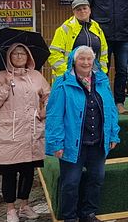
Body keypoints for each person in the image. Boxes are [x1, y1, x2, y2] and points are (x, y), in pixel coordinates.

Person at [45, 46, 120, 222]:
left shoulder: (101, 80)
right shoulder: (62, 83)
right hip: (73, 144)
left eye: (89, 59)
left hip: (97, 143)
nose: (86, 62)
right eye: (82, 59)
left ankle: (88, 213)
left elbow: (110, 109)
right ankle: (70, 217)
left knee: (96, 179)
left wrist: (113, 134)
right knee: (70, 183)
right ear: (74, 60)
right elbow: (54, 115)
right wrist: (56, 143)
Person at [0, 43, 50, 222]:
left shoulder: (36, 76)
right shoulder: (0, 77)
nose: (20, 56)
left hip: (31, 132)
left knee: (28, 172)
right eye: (16, 53)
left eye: (23, 53)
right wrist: (5, 86)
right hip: (10, 133)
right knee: (9, 173)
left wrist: (43, 112)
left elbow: (48, 95)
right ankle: (10, 209)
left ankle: (24, 206)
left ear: (28, 56)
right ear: (9, 56)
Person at [49, 0, 108, 80]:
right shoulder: (64, 29)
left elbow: (103, 54)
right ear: (74, 12)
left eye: (84, 8)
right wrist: (68, 73)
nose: (82, 11)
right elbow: (54, 54)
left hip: (94, 77)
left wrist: (101, 73)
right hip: (70, 79)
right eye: (78, 9)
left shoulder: (97, 28)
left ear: (90, 10)